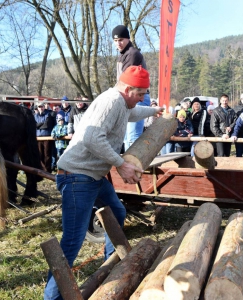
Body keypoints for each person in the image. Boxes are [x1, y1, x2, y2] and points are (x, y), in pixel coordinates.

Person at [43, 66, 164, 299]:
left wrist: (155, 110)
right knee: (72, 241)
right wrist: (120, 162)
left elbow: (134, 112)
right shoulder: (111, 102)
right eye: (140, 94)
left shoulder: (122, 103)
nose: (142, 98)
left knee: (116, 212)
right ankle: (52, 297)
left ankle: (111, 263)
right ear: (128, 89)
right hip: (78, 177)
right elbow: (91, 138)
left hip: (93, 177)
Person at [112, 25, 151, 151]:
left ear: (128, 39)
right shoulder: (122, 55)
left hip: (137, 97)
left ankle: (133, 168)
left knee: (133, 137)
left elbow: (125, 81)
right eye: (115, 41)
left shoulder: (132, 54)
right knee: (126, 138)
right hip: (128, 97)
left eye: (121, 40)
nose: (118, 43)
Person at [34, 103, 56, 173]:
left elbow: (46, 125)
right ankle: (42, 169)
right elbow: (34, 125)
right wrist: (41, 124)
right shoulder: (35, 115)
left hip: (47, 137)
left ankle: (47, 170)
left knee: (47, 154)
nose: (41, 108)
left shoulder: (48, 114)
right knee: (40, 154)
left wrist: (38, 125)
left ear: (44, 107)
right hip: (38, 137)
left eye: (42, 106)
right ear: (37, 107)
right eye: (39, 107)